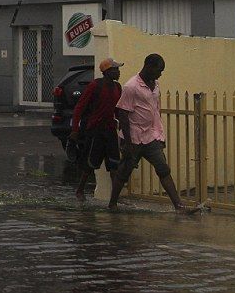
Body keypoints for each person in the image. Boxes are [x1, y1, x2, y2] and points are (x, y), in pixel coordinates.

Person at [109, 53, 190, 212]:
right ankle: (112, 203)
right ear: (149, 67)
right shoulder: (131, 87)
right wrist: (128, 143)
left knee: (163, 169)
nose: (160, 74)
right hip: (134, 137)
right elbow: (123, 114)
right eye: (159, 70)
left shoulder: (156, 85)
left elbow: (155, 110)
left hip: (151, 137)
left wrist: (159, 134)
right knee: (124, 172)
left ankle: (178, 206)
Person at [69, 58, 123, 201]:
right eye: (115, 70)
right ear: (107, 72)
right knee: (90, 162)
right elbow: (80, 107)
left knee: (114, 164)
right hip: (95, 130)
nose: (118, 72)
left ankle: (114, 198)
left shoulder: (117, 87)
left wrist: (122, 125)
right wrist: (75, 129)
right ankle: (80, 190)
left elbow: (117, 109)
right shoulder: (95, 85)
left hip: (110, 129)